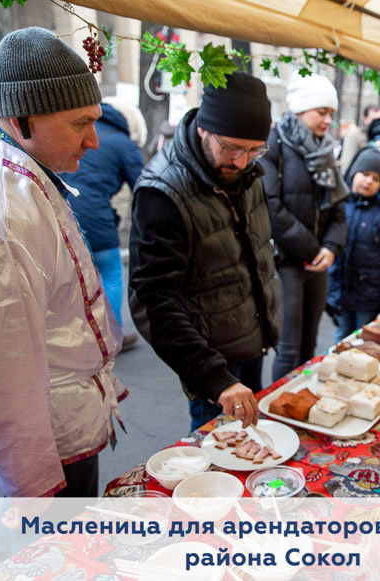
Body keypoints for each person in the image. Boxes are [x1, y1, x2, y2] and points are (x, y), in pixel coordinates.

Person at [0, 27, 128, 498]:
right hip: (46, 441)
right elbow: (2, 378)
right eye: (80, 123)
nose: (94, 141)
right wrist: (36, 490)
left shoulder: (19, 171)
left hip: (63, 414)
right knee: (47, 555)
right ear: (21, 121)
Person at [129, 73, 281, 432]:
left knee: (254, 444)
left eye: (255, 149)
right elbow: (155, 301)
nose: (242, 161)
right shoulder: (162, 191)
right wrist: (215, 378)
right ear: (203, 129)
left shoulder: (248, 172)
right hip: (209, 356)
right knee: (219, 455)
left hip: (251, 339)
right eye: (231, 148)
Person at [260, 73, 348, 380]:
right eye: (321, 112)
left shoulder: (325, 151)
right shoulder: (275, 144)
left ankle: (302, 404)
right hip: (287, 261)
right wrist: (314, 249)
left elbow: (338, 207)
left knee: (309, 344)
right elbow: (272, 207)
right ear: (300, 108)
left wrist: (331, 248)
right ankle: (278, 413)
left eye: (331, 114)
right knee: (288, 347)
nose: (328, 121)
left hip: (319, 261)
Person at [62, 97, 146, 351]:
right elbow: (143, 187)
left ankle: (79, 337)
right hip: (95, 213)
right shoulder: (123, 143)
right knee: (110, 271)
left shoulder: (83, 131)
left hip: (62, 207)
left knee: (74, 276)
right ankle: (112, 337)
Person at [327, 147, 380, 342]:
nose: (369, 181)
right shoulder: (339, 205)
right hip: (341, 292)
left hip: (370, 296)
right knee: (342, 341)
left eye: (376, 179)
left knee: (367, 341)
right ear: (354, 173)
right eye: (365, 174)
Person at [339, 104, 380, 176]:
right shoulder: (354, 136)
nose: (377, 123)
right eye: (374, 120)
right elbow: (346, 164)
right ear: (365, 119)